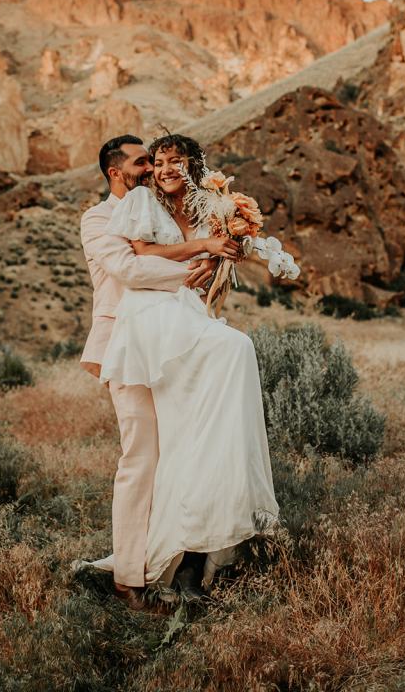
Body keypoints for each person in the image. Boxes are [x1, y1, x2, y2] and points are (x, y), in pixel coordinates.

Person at [98, 133, 279, 591]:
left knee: (202, 424)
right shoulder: (142, 203)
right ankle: (171, 557)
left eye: (172, 161)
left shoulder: (208, 210)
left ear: (193, 165)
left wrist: (224, 256)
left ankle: (208, 543)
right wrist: (203, 254)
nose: (161, 169)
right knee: (235, 348)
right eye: (155, 162)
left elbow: (215, 276)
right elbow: (138, 260)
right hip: (152, 317)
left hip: (188, 313)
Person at [79, 134, 217, 611]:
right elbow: (129, 270)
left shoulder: (162, 212)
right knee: (140, 459)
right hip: (125, 346)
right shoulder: (97, 219)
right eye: (141, 163)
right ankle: (127, 580)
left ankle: (178, 564)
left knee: (183, 452)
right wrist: (195, 266)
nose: (150, 169)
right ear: (116, 172)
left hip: (173, 343)